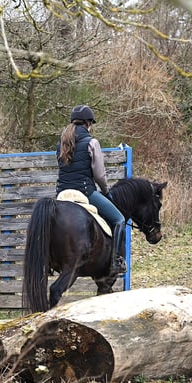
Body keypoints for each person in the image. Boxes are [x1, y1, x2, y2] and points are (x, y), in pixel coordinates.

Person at [56, 104, 127, 274]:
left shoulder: (62, 143)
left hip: (62, 193)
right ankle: (117, 261)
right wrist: (105, 191)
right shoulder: (91, 142)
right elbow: (99, 175)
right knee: (119, 219)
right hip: (85, 191)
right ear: (88, 123)